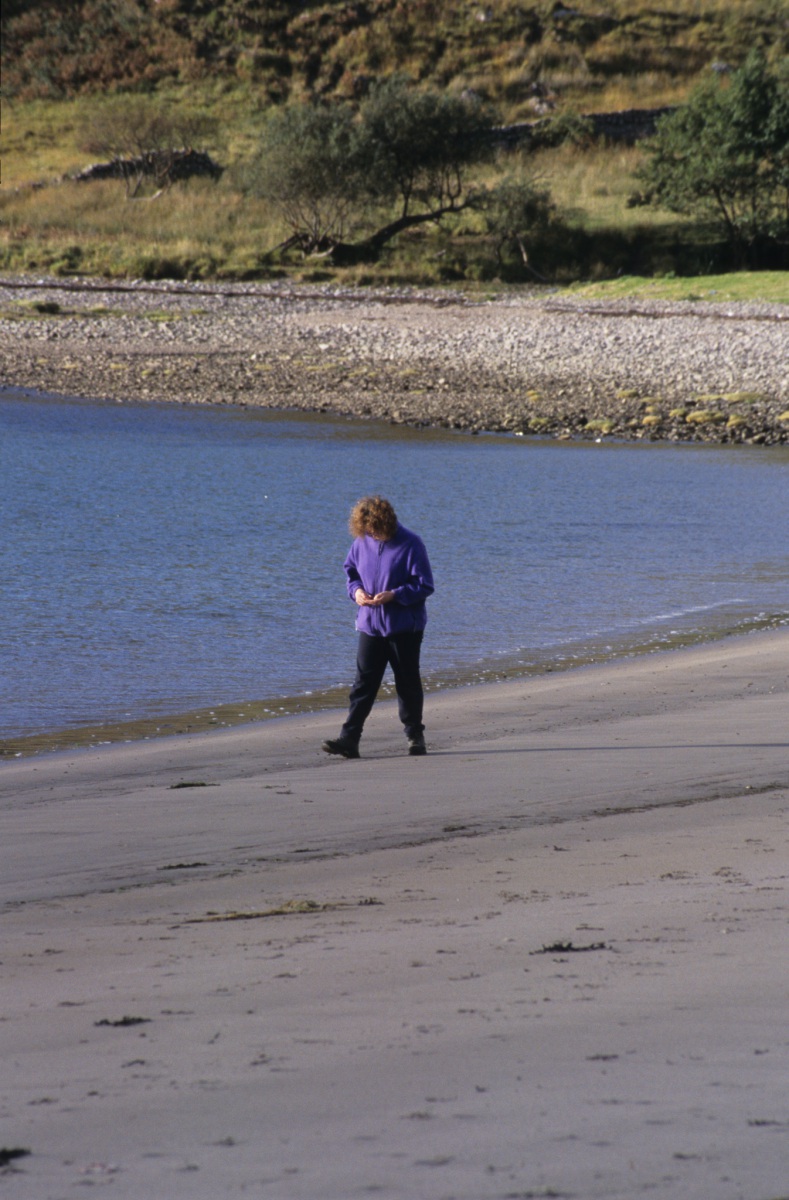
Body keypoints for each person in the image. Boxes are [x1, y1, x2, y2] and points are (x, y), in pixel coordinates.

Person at [322, 496, 434, 759]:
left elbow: (425, 585)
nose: (371, 533)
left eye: (375, 529)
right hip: (370, 625)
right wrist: (357, 592)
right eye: (367, 529)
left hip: (405, 627)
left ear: (387, 522)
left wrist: (394, 595)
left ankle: (415, 737)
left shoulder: (411, 543)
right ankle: (349, 739)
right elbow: (351, 573)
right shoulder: (361, 542)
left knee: (407, 683)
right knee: (363, 684)